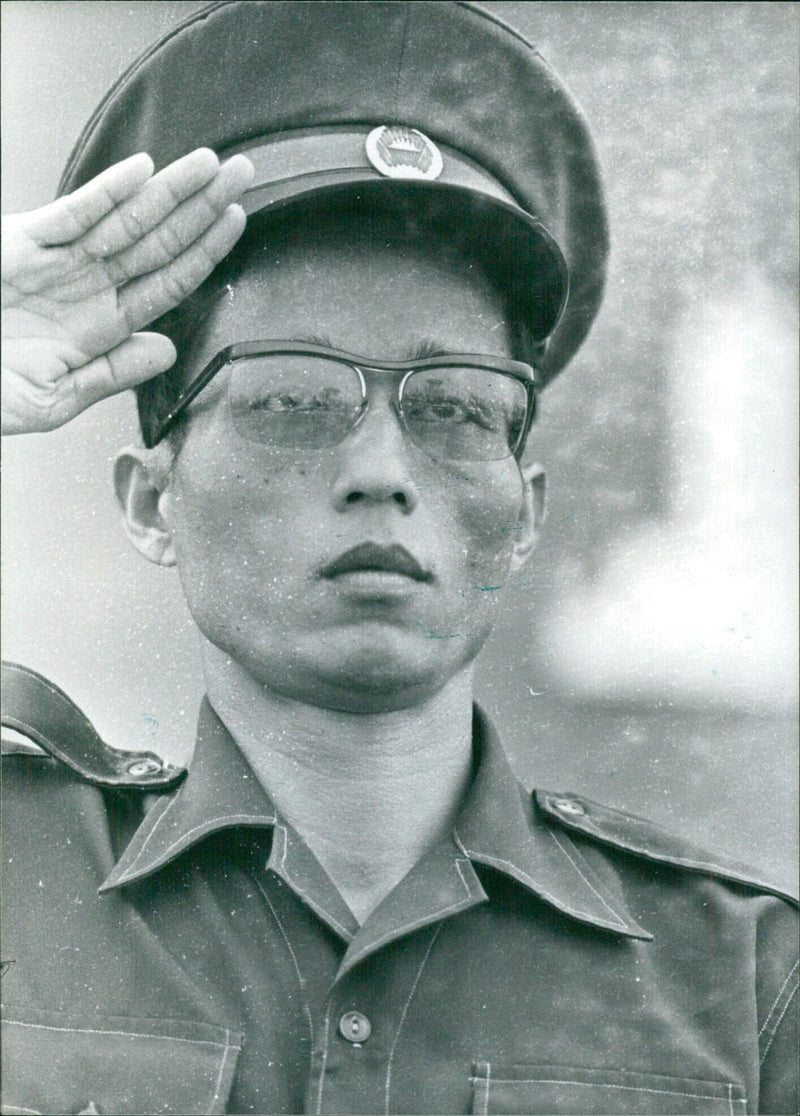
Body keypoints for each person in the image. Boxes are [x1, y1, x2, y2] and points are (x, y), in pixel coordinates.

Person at [1, 3, 796, 1114]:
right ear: (151, 501)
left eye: (459, 410)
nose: (380, 469)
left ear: (522, 514)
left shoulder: (741, 976)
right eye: (290, 397)